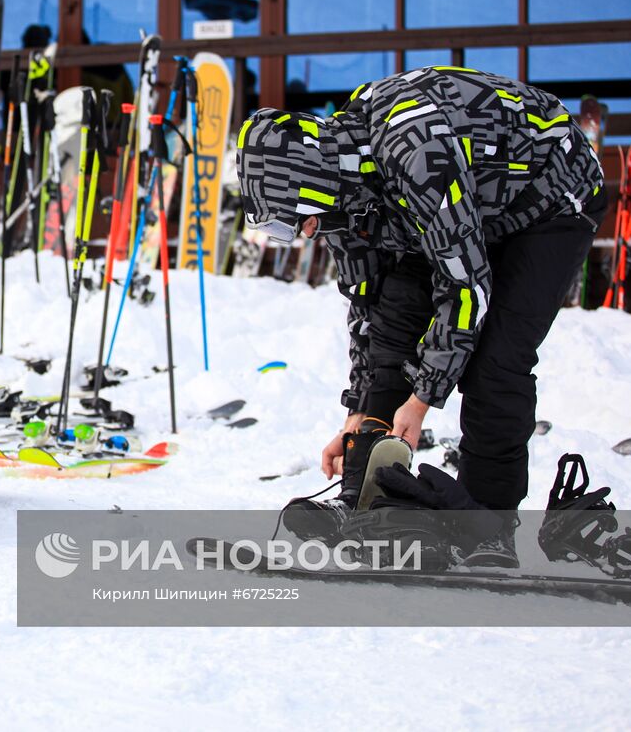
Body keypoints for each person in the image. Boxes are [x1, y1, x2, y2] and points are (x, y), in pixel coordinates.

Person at [236, 66, 604, 567]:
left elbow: (466, 287)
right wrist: (358, 414)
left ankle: (488, 528)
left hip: (546, 201)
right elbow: (368, 310)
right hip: (453, 208)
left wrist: (422, 400)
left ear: (306, 182)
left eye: (289, 220)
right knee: (393, 318)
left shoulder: (414, 152)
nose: (298, 233)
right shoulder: (342, 190)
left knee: (495, 360)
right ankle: (365, 498)